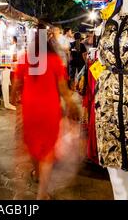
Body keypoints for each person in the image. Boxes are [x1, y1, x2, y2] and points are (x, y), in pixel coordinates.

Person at [11, 25, 80, 200]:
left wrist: (14, 98)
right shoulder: (55, 61)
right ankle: (42, 193)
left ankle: (36, 172)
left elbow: (16, 84)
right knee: (47, 150)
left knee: (33, 145)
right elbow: (63, 89)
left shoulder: (25, 58)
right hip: (49, 109)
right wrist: (72, 104)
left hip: (30, 109)